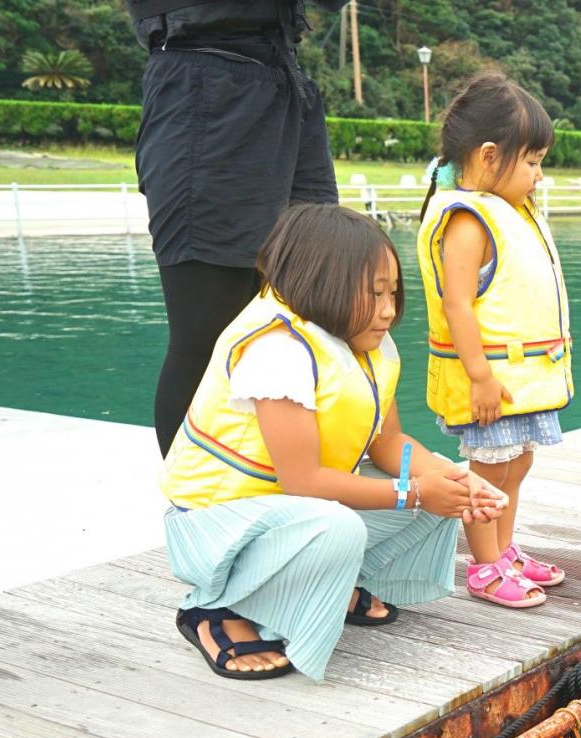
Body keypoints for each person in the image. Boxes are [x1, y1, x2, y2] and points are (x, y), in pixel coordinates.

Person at [160, 203, 506, 680]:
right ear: (318, 284)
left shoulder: (366, 338)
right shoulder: (278, 349)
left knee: (438, 475)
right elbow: (302, 481)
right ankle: (214, 609)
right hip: (218, 525)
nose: (388, 310)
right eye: (372, 294)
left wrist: (455, 483)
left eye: (392, 293)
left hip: (290, 513)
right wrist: (417, 493)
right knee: (345, 525)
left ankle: (336, 582)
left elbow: (391, 443)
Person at [128, 0, 348, 456]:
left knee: (314, 308)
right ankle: (192, 509)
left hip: (286, 83)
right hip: (204, 84)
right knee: (207, 332)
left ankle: (290, 479)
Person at [417, 73, 571, 609]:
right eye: (531, 162)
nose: (539, 175)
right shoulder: (467, 220)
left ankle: (504, 549)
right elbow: (458, 304)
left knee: (518, 462)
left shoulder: (508, 210)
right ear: (488, 156)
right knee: (489, 469)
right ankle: (484, 566)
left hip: (522, 379)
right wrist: (479, 374)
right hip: (488, 380)